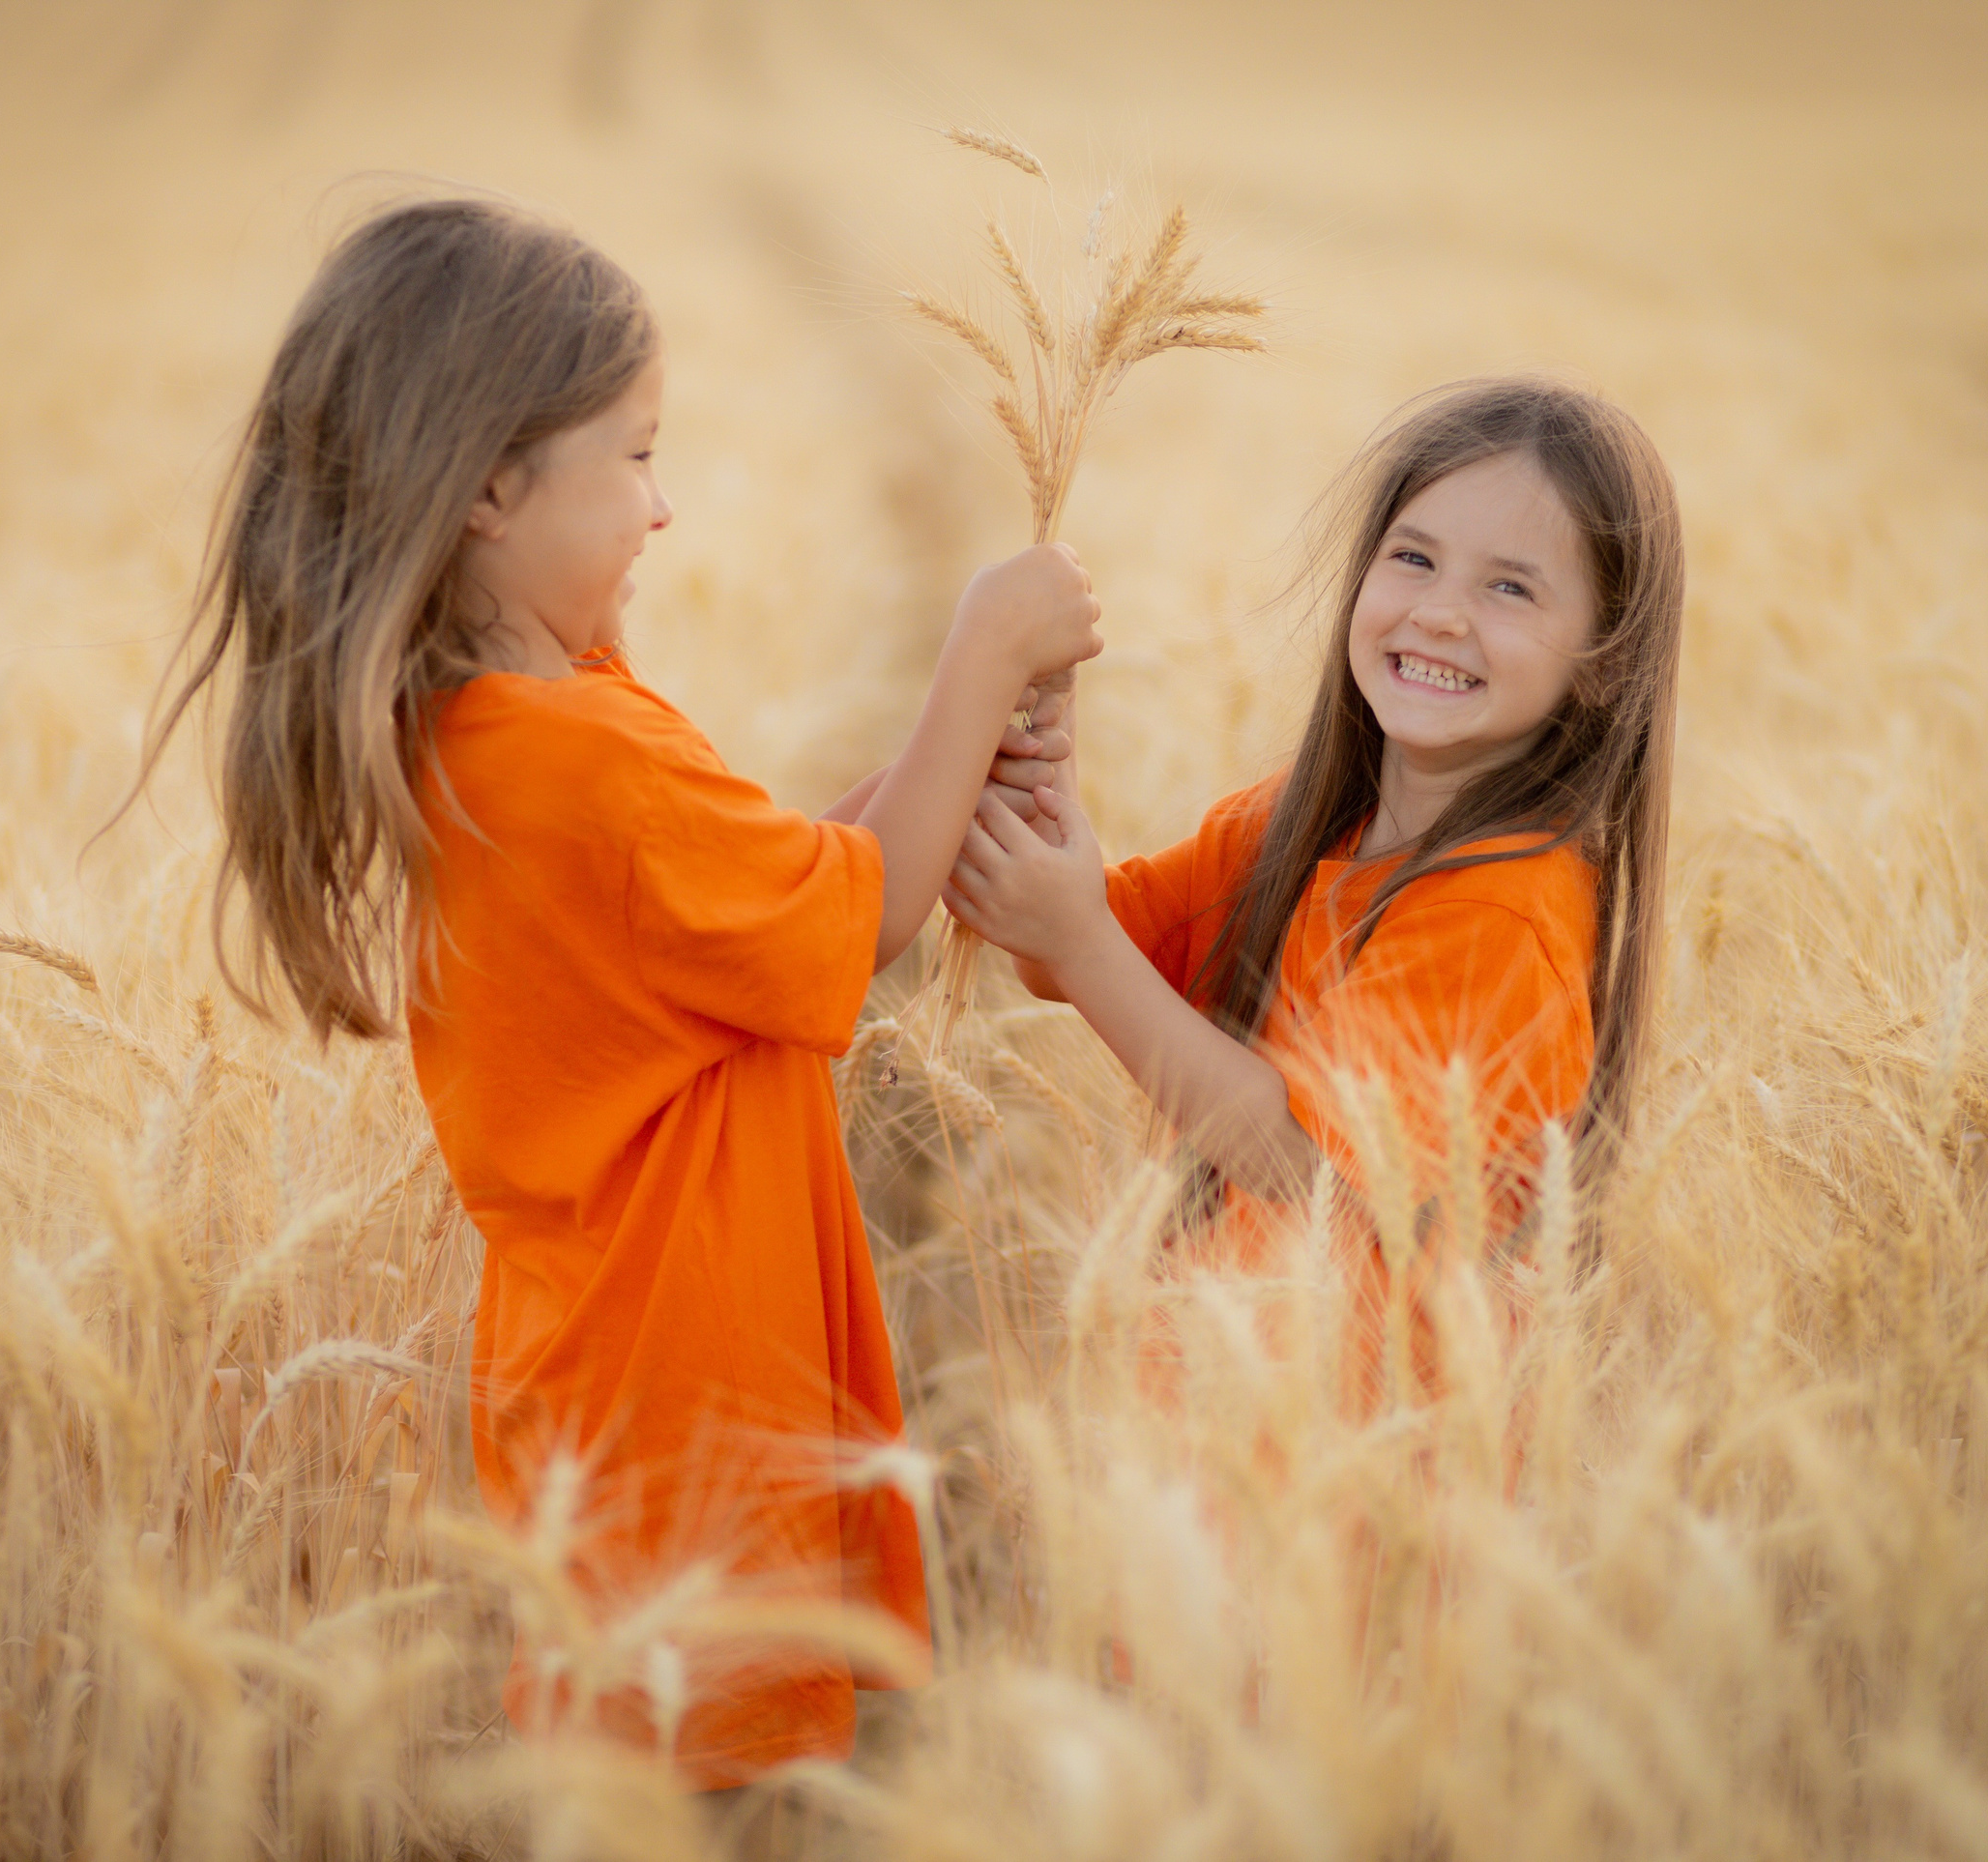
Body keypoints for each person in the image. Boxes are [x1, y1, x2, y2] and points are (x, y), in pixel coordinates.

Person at [140, 198, 1100, 1786]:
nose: (665, 512)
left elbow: (771, 885)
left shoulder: (512, 732)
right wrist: (983, 658)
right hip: (693, 1393)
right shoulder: (579, 755)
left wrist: (940, 766)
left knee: (649, 1766)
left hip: (602, 1375)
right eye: (639, 456)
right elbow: (852, 925)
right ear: (494, 487)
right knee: (710, 1786)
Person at [951, 377, 1682, 1411]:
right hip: (1216, 1423)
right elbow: (1062, 945)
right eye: (1414, 558)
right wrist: (1043, 747)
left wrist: (1074, 941)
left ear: (1604, 663)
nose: (1439, 612)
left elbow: (1311, 1167)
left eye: (1509, 588)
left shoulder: (1502, 911)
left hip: (1354, 1482)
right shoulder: (1296, 828)